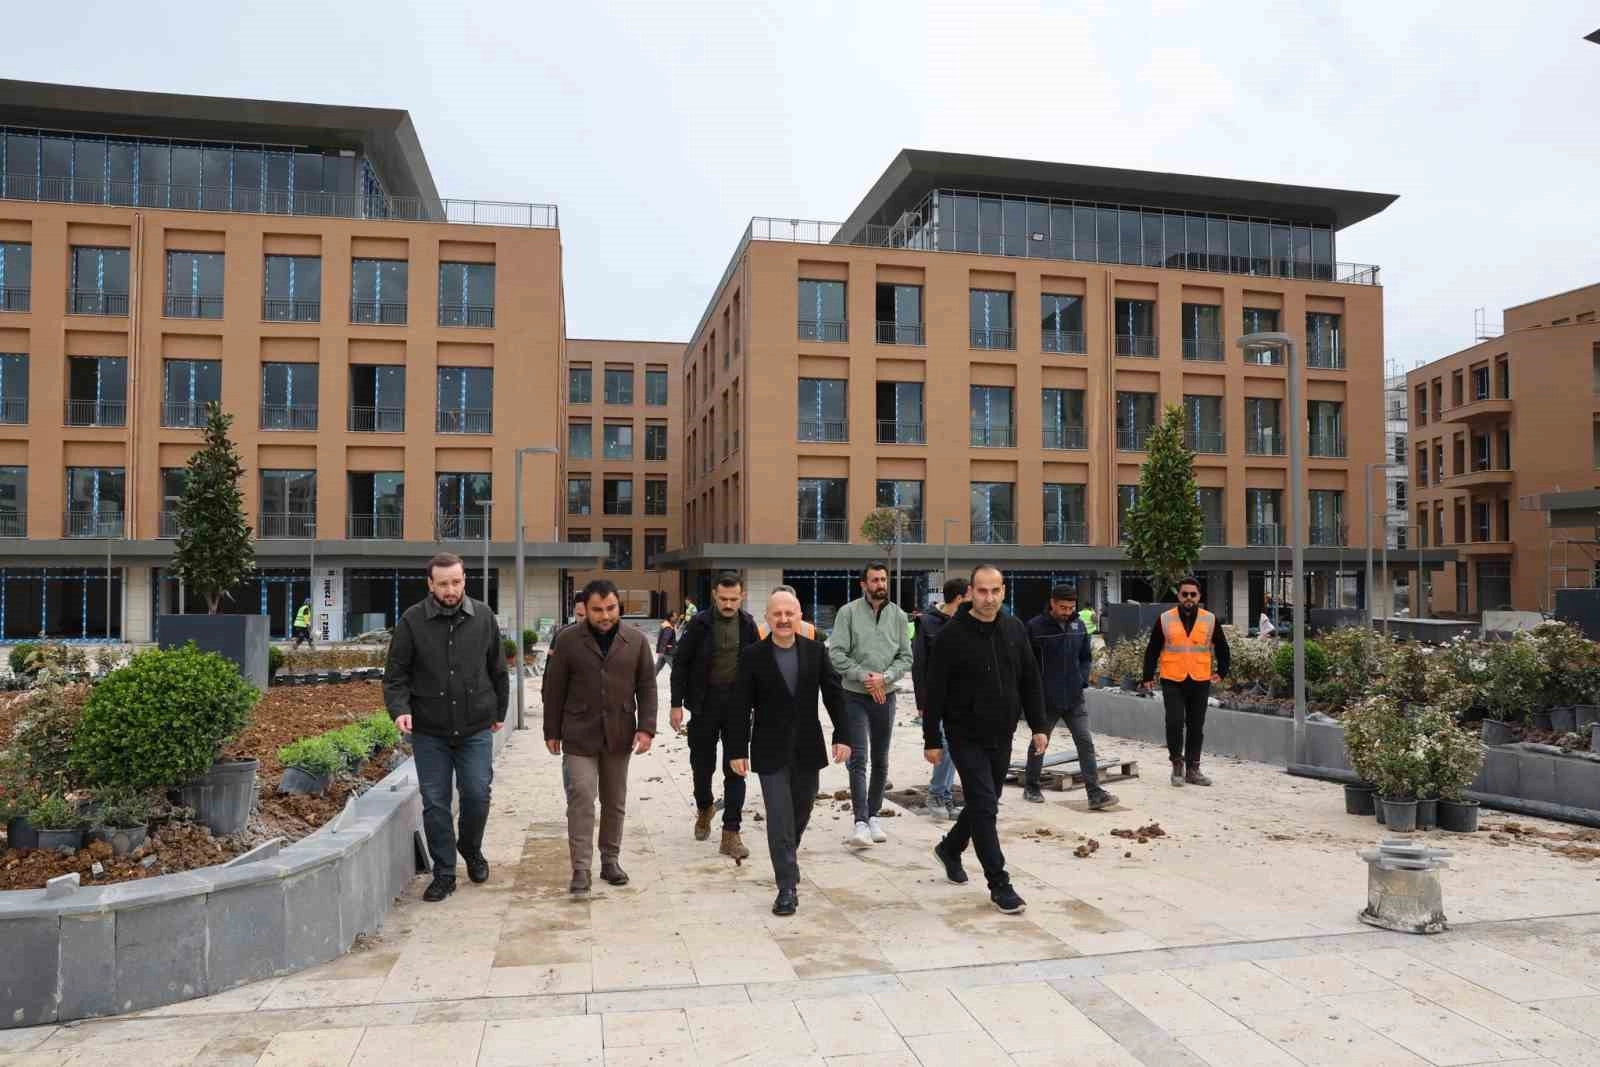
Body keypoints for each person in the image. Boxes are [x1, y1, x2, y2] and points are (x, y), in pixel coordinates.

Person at [383, 552, 509, 903]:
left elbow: (498, 669)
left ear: (464, 580)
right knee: (435, 803)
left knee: (477, 793)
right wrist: (400, 710)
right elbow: (395, 676)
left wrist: (500, 710)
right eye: (443, 584)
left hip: (475, 728)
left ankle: (471, 848)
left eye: (456, 582)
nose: (450, 590)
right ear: (430, 584)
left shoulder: (483, 617)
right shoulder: (412, 621)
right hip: (430, 731)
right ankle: (444, 873)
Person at [923, 564, 1047, 915]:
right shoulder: (951, 635)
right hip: (964, 735)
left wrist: (1039, 726)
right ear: (970, 593)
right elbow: (934, 691)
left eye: (995, 591)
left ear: (1004, 591)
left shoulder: (1014, 628)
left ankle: (950, 848)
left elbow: (1030, 679)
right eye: (982, 591)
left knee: (984, 802)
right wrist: (931, 739)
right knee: (984, 805)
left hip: (1002, 733)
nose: (989, 598)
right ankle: (999, 884)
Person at [727, 589, 849, 916]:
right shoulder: (753, 656)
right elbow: (739, 705)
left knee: (802, 809)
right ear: (767, 618)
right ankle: (786, 887)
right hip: (769, 749)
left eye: (789, 614)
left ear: (799, 617)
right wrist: (737, 749)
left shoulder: (815, 652)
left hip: (808, 747)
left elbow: (834, 695)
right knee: (779, 817)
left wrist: (843, 735)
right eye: (777, 614)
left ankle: (787, 858)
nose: (783, 619)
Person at [542, 579, 657, 895]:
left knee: (614, 800)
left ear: (619, 606)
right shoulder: (568, 640)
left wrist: (646, 727)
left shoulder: (635, 641)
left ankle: (610, 860)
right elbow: (554, 687)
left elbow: (647, 686)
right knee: (581, 796)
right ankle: (581, 869)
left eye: (611, 608)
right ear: (586, 609)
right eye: (597, 610)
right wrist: (551, 730)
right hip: (578, 733)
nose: (605, 616)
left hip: (619, 732)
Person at [670, 571, 761, 860]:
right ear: (714, 596)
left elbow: (758, 667)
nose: (728, 604)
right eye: (723, 599)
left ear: (742, 596)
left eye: (734, 599)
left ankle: (731, 832)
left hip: (737, 707)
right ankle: (705, 806)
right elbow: (681, 664)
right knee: (702, 766)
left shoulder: (748, 625)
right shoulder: (699, 624)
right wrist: (675, 704)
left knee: (736, 769)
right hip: (704, 704)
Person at [827, 561, 913, 849]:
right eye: (874, 580)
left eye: (883, 580)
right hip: (854, 695)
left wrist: (884, 678)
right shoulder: (848, 613)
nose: (880, 585)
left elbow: (906, 657)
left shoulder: (898, 616)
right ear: (863, 584)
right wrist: (865, 677)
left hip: (885, 695)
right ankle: (860, 822)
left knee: (881, 758)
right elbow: (836, 654)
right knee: (858, 758)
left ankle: (874, 815)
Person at [1025, 585, 1118, 811]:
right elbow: (1027, 664)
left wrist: (1082, 679)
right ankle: (1031, 786)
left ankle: (1094, 793)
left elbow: (1085, 657)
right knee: (1040, 743)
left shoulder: (1079, 626)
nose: (1067, 612)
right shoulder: (1035, 627)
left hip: (1074, 697)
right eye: (1063, 607)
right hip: (1046, 699)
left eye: (1070, 607)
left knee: (1085, 743)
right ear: (1052, 603)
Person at [1141, 576, 1231, 787]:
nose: (1189, 598)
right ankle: (1177, 764)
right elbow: (1153, 649)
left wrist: (1222, 671)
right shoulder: (1165, 619)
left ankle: (1193, 768)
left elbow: (1222, 647)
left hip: (1199, 679)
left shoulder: (1210, 619)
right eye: (1184, 594)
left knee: (1196, 725)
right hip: (1172, 678)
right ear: (1179, 596)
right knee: (1174, 722)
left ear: (1199, 596)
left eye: (1193, 594)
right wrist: (1147, 676)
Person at [913, 577, 968, 821]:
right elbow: (919, 664)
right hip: (936, 697)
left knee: (955, 747)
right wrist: (922, 702)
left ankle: (945, 796)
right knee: (943, 744)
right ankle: (936, 794)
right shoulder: (927, 622)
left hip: (961, 697)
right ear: (959, 598)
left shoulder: (966, 622)